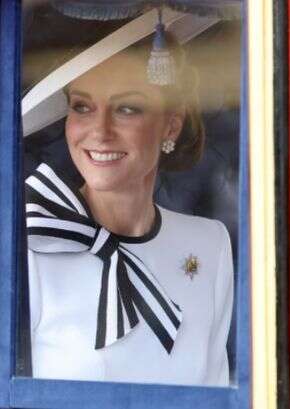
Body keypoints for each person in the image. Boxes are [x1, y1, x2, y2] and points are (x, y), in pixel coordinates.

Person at [24, 17, 233, 386]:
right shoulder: (32, 242)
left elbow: (215, 389)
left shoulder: (209, 245)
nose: (100, 132)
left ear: (171, 126)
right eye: (82, 107)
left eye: (126, 109)